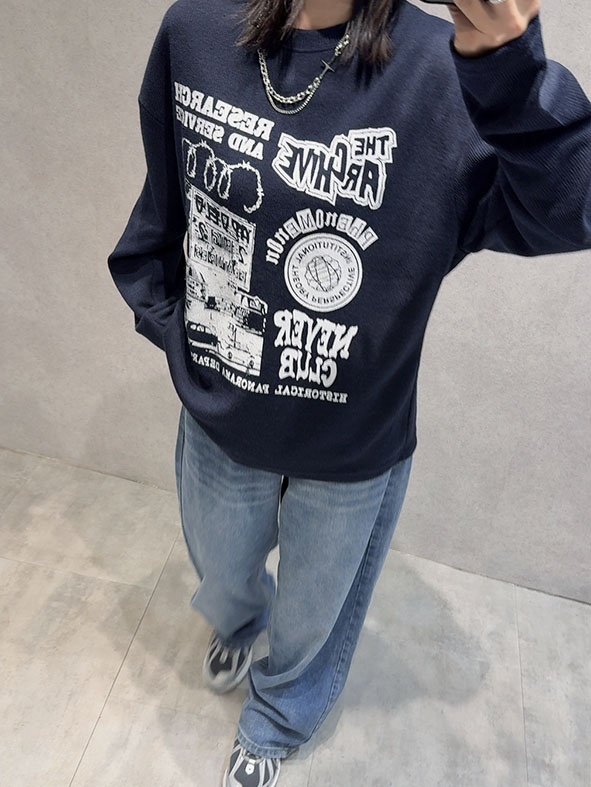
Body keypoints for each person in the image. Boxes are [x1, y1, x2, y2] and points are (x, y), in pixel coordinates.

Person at [107, 0, 591, 783]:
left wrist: (508, 68)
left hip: (354, 441)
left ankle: (276, 718)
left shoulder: (445, 70)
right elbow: (167, 203)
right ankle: (239, 623)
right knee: (222, 574)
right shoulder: (194, 30)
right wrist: (175, 329)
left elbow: (569, 210)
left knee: (313, 618)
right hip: (220, 414)